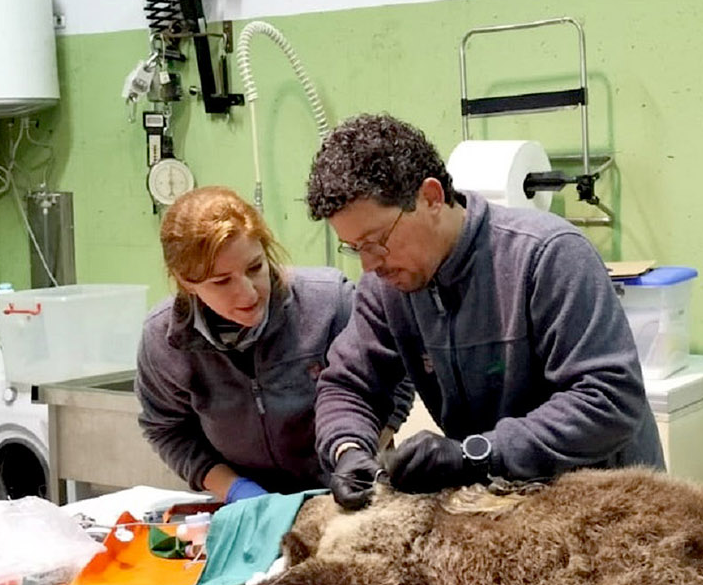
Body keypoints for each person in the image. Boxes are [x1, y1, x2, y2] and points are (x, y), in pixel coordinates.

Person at [306, 113, 663, 509]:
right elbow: (349, 383)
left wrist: (475, 454)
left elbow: (608, 399)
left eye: (376, 241)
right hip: (504, 510)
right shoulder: (387, 286)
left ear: (431, 197)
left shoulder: (549, 255)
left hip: (610, 509)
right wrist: (348, 448)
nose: (369, 265)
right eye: (354, 248)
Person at [135, 185, 407, 503]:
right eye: (222, 281)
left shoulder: (331, 302)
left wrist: (354, 459)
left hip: (354, 495)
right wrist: (237, 490)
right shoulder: (165, 341)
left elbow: (398, 378)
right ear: (187, 283)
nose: (248, 293)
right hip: (251, 504)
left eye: (255, 268)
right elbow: (168, 429)